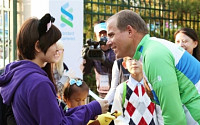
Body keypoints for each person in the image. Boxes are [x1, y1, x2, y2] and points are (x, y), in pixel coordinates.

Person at [0, 13, 109, 125]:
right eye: (53, 43)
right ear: (38, 46)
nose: (57, 48)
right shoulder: (38, 83)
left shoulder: (21, 76)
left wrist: (90, 109)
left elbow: (56, 115)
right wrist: (91, 109)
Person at [106, 10, 200, 124]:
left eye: (111, 35)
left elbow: (174, 118)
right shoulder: (151, 50)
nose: (108, 42)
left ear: (130, 31)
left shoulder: (153, 55)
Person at [111, 56, 163, 125]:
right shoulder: (121, 88)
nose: (134, 62)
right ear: (124, 65)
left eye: (138, 59)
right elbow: (115, 114)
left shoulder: (152, 86)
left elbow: (160, 113)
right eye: (130, 59)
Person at [81, 21, 116, 98]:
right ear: (96, 36)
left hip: (116, 92)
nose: (103, 36)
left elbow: (119, 68)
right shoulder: (94, 50)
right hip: (101, 92)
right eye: (100, 34)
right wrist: (86, 58)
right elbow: (86, 71)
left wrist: (104, 60)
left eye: (105, 33)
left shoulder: (115, 49)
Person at [174, 27, 200, 125]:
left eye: (185, 41)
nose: (181, 45)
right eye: (177, 41)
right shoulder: (171, 67)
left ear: (195, 43)